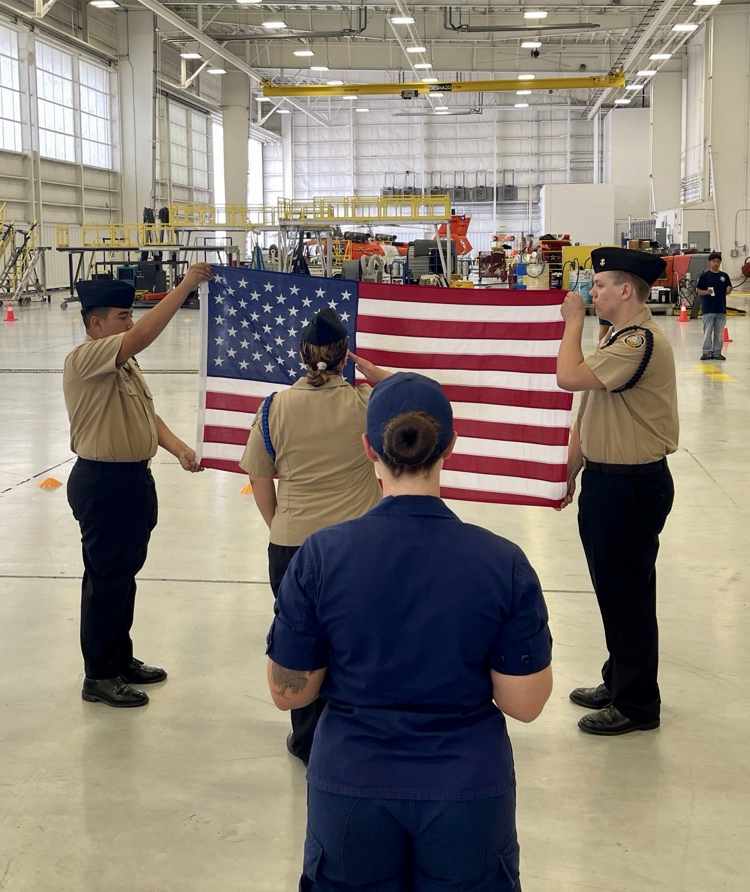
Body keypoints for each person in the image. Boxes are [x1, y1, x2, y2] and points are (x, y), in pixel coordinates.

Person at [266, 372, 553, 892]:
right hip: (465, 789)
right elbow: (525, 702)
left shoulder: (320, 556)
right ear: (450, 445)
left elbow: (290, 693)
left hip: (352, 785)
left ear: (368, 448)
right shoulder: (503, 563)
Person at [240, 308, 388, 765]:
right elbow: (419, 395)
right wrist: (372, 370)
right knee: (356, 642)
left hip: (293, 545)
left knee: (301, 642)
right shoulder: (367, 404)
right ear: (344, 357)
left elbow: (260, 477)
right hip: (357, 545)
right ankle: (353, 733)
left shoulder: (274, 407)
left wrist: (279, 526)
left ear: (301, 356)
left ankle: (307, 740)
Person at [64, 264, 214, 708]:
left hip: (131, 481)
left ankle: (119, 659)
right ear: (96, 323)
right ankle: (99, 676)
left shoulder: (122, 364)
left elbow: (147, 414)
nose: (130, 323)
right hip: (103, 483)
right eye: (122, 316)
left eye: (130, 316)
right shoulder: (86, 357)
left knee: (122, 578)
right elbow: (144, 335)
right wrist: (185, 286)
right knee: (106, 581)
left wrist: (178, 448)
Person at [557, 247, 679, 736]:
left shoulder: (637, 342)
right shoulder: (615, 337)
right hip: (608, 480)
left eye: (600, 284)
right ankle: (620, 679)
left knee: (626, 595)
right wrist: (570, 469)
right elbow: (588, 411)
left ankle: (637, 704)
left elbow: (568, 378)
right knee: (616, 591)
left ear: (626, 290)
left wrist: (572, 322)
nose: (592, 291)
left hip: (630, 484)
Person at [696, 251, 733, 360]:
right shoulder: (704, 276)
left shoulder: (724, 276)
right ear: (710, 262)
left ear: (720, 262)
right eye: (714, 261)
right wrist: (706, 292)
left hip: (721, 309)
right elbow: (699, 291)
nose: (716, 263)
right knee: (707, 332)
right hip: (708, 309)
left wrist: (729, 290)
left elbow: (727, 291)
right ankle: (706, 352)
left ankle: (717, 352)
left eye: (718, 261)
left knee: (719, 333)